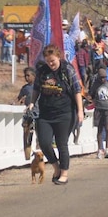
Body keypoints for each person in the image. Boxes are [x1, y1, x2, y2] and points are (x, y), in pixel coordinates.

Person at [28, 44, 84, 185]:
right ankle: (56, 167)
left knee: (61, 144)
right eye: (48, 61)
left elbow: (77, 90)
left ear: (58, 57)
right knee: (45, 143)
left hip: (65, 113)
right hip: (45, 113)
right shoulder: (42, 71)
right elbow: (36, 89)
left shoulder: (67, 70)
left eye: (52, 60)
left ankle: (64, 173)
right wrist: (32, 102)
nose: (50, 64)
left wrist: (80, 110)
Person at [89, 67, 108, 159]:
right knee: (99, 129)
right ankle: (100, 149)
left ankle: (107, 148)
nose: (103, 79)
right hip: (99, 109)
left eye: (104, 77)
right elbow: (91, 95)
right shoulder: (95, 85)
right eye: (101, 77)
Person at [16, 66, 36, 160]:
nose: (26, 78)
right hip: (28, 114)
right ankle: (27, 156)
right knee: (27, 134)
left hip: (39, 114)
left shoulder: (38, 87)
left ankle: (40, 155)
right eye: (25, 76)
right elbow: (19, 98)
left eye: (28, 75)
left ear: (34, 76)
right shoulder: (25, 88)